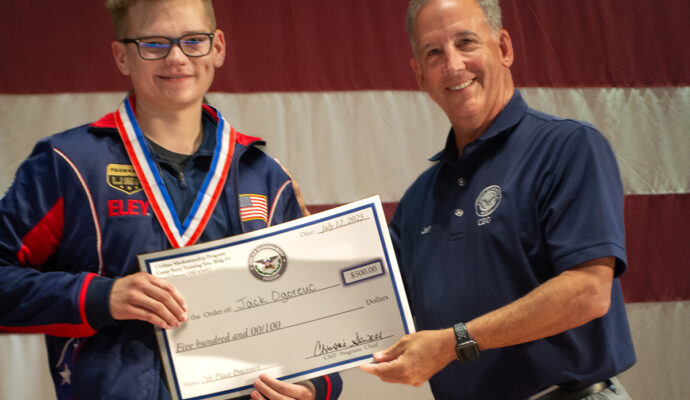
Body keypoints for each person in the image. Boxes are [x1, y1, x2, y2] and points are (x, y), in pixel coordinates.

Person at [0, 0, 341, 399]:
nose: (176, 57)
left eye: (192, 40)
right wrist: (100, 296)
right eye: (154, 43)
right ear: (122, 56)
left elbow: (317, 320)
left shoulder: (265, 177)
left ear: (218, 47)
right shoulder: (68, 165)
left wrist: (313, 388)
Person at [360, 0, 636, 399]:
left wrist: (454, 342)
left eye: (466, 42)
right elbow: (370, 304)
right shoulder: (419, 198)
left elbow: (587, 292)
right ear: (420, 73)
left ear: (504, 48)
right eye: (434, 52)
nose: (453, 65)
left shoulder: (567, 148)